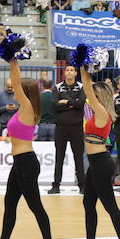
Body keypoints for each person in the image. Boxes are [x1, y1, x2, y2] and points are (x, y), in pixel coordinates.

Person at [0, 58, 55, 239]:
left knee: (34, 204)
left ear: (25, 92)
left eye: (19, 88)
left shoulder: (29, 107)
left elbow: (15, 79)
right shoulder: (24, 109)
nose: (14, 90)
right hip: (20, 162)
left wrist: (13, 61)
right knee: (10, 202)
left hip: (26, 163)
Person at [69, 65, 120, 239]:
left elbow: (87, 88)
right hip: (95, 163)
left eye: (94, 95)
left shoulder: (103, 112)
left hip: (102, 163)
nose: (90, 97)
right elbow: (87, 91)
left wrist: (83, 67)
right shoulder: (97, 114)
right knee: (88, 203)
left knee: (110, 205)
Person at [48, 66, 86, 194]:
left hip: (77, 126)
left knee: (78, 157)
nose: (69, 72)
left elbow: (81, 104)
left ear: (75, 73)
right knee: (59, 156)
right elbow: (54, 106)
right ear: (64, 73)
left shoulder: (81, 87)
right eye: (67, 70)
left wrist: (65, 102)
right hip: (61, 126)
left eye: (72, 70)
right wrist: (72, 103)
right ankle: (56, 185)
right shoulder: (57, 87)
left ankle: (82, 185)